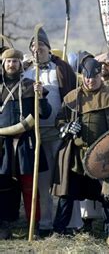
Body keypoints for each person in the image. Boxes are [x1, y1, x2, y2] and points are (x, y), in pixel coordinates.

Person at [51, 58, 109, 246]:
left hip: (103, 157)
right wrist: (67, 127)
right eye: (86, 77)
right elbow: (59, 121)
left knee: (107, 196)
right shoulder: (72, 97)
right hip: (77, 154)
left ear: (100, 76)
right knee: (67, 194)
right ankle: (59, 231)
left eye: (93, 77)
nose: (90, 81)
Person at [23, 28, 78, 236]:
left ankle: (70, 224)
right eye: (34, 49)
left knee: (64, 179)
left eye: (42, 48)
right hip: (36, 134)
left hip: (60, 133)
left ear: (48, 48)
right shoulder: (27, 72)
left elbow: (72, 96)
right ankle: (45, 223)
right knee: (42, 182)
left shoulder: (60, 69)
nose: (38, 52)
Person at [0, 48, 51, 239]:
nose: (12, 64)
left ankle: (34, 225)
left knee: (29, 186)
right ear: (3, 64)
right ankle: (4, 225)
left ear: (21, 64)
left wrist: (41, 97)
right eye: (8, 61)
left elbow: (44, 113)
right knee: (3, 187)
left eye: (15, 61)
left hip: (26, 144)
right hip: (3, 145)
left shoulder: (31, 85)